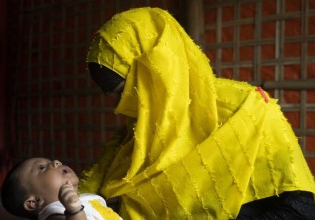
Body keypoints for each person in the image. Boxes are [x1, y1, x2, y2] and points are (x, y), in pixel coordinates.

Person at [80, 7, 315, 220]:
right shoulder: (135, 139)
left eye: (125, 93)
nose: (120, 108)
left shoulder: (248, 111)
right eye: (115, 98)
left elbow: (301, 211)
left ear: (158, 69)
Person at [1, 157, 122, 220]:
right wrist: (74, 211)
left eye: (51, 161)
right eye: (42, 168)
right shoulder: (53, 213)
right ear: (34, 202)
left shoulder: (86, 197)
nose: (56, 162)